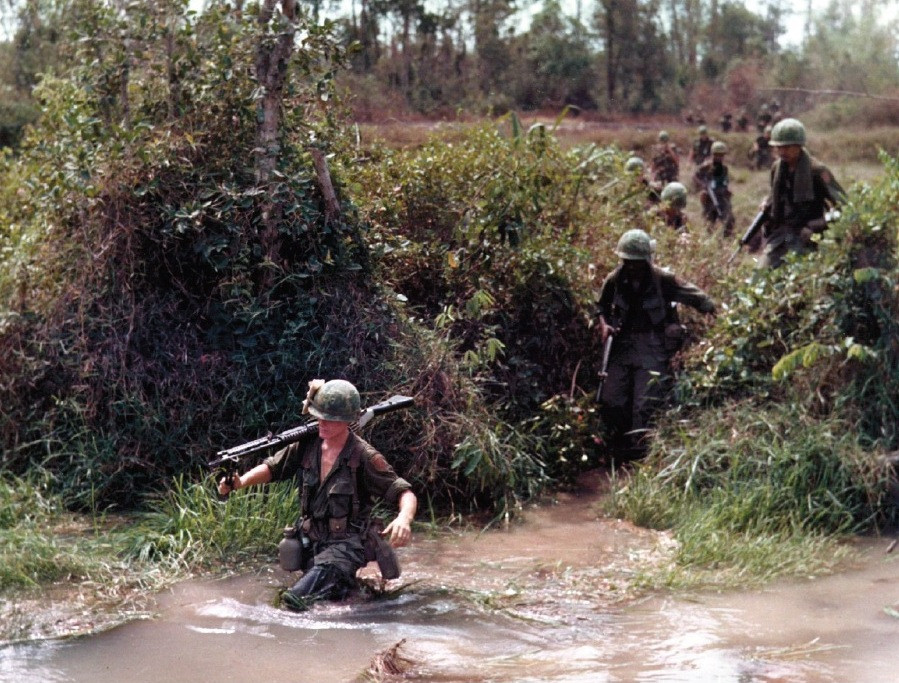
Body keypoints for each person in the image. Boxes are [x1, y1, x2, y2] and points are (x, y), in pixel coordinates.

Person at [218, 378, 418, 608]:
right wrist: (241, 482)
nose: (321, 423)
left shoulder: (363, 456)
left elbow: (405, 492)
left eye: (330, 419)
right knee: (335, 601)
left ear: (347, 421)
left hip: (348, 546)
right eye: (318, 415)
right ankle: (356, 595)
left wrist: (404, 518)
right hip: (314, 542)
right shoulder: (307, 445)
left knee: (294, 601)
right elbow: (273, 467)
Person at [595, 230, 716, 459]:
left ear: (647, 260)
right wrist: (604, 325)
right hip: (622, 345)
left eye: (636, 262)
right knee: (611, 399)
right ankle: (616, 449)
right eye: (627, 262)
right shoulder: (615, 278)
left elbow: (696, 296)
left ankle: (642, 454)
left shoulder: (663, 279)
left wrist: (713, 309)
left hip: (653, 344)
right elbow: (600, 306)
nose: (631, 267)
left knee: (646, 402)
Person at [757, 118, 845, 269]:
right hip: (779, 236)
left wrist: (816, 225)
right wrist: (766, 203)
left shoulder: (817, 171)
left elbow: (844, 209)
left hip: (806, 238)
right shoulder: (777, 168)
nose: (782, 151)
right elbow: (776, 196)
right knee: (758, 279)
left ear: (799, 146)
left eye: (787, 147)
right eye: (779, 147)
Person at [693, 141, 735, 236]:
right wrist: (703, 185)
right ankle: (709, 240)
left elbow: (725, 182)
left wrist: (727, 190)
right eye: (717, 155)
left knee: (729, 219)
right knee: (709, 221)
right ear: (713, 154)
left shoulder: (724, 168)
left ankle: (727, 238)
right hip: (709, 196)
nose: (719, 157)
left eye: (721, 155)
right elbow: (695, 177)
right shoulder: (706, 166)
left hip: (722, 196)